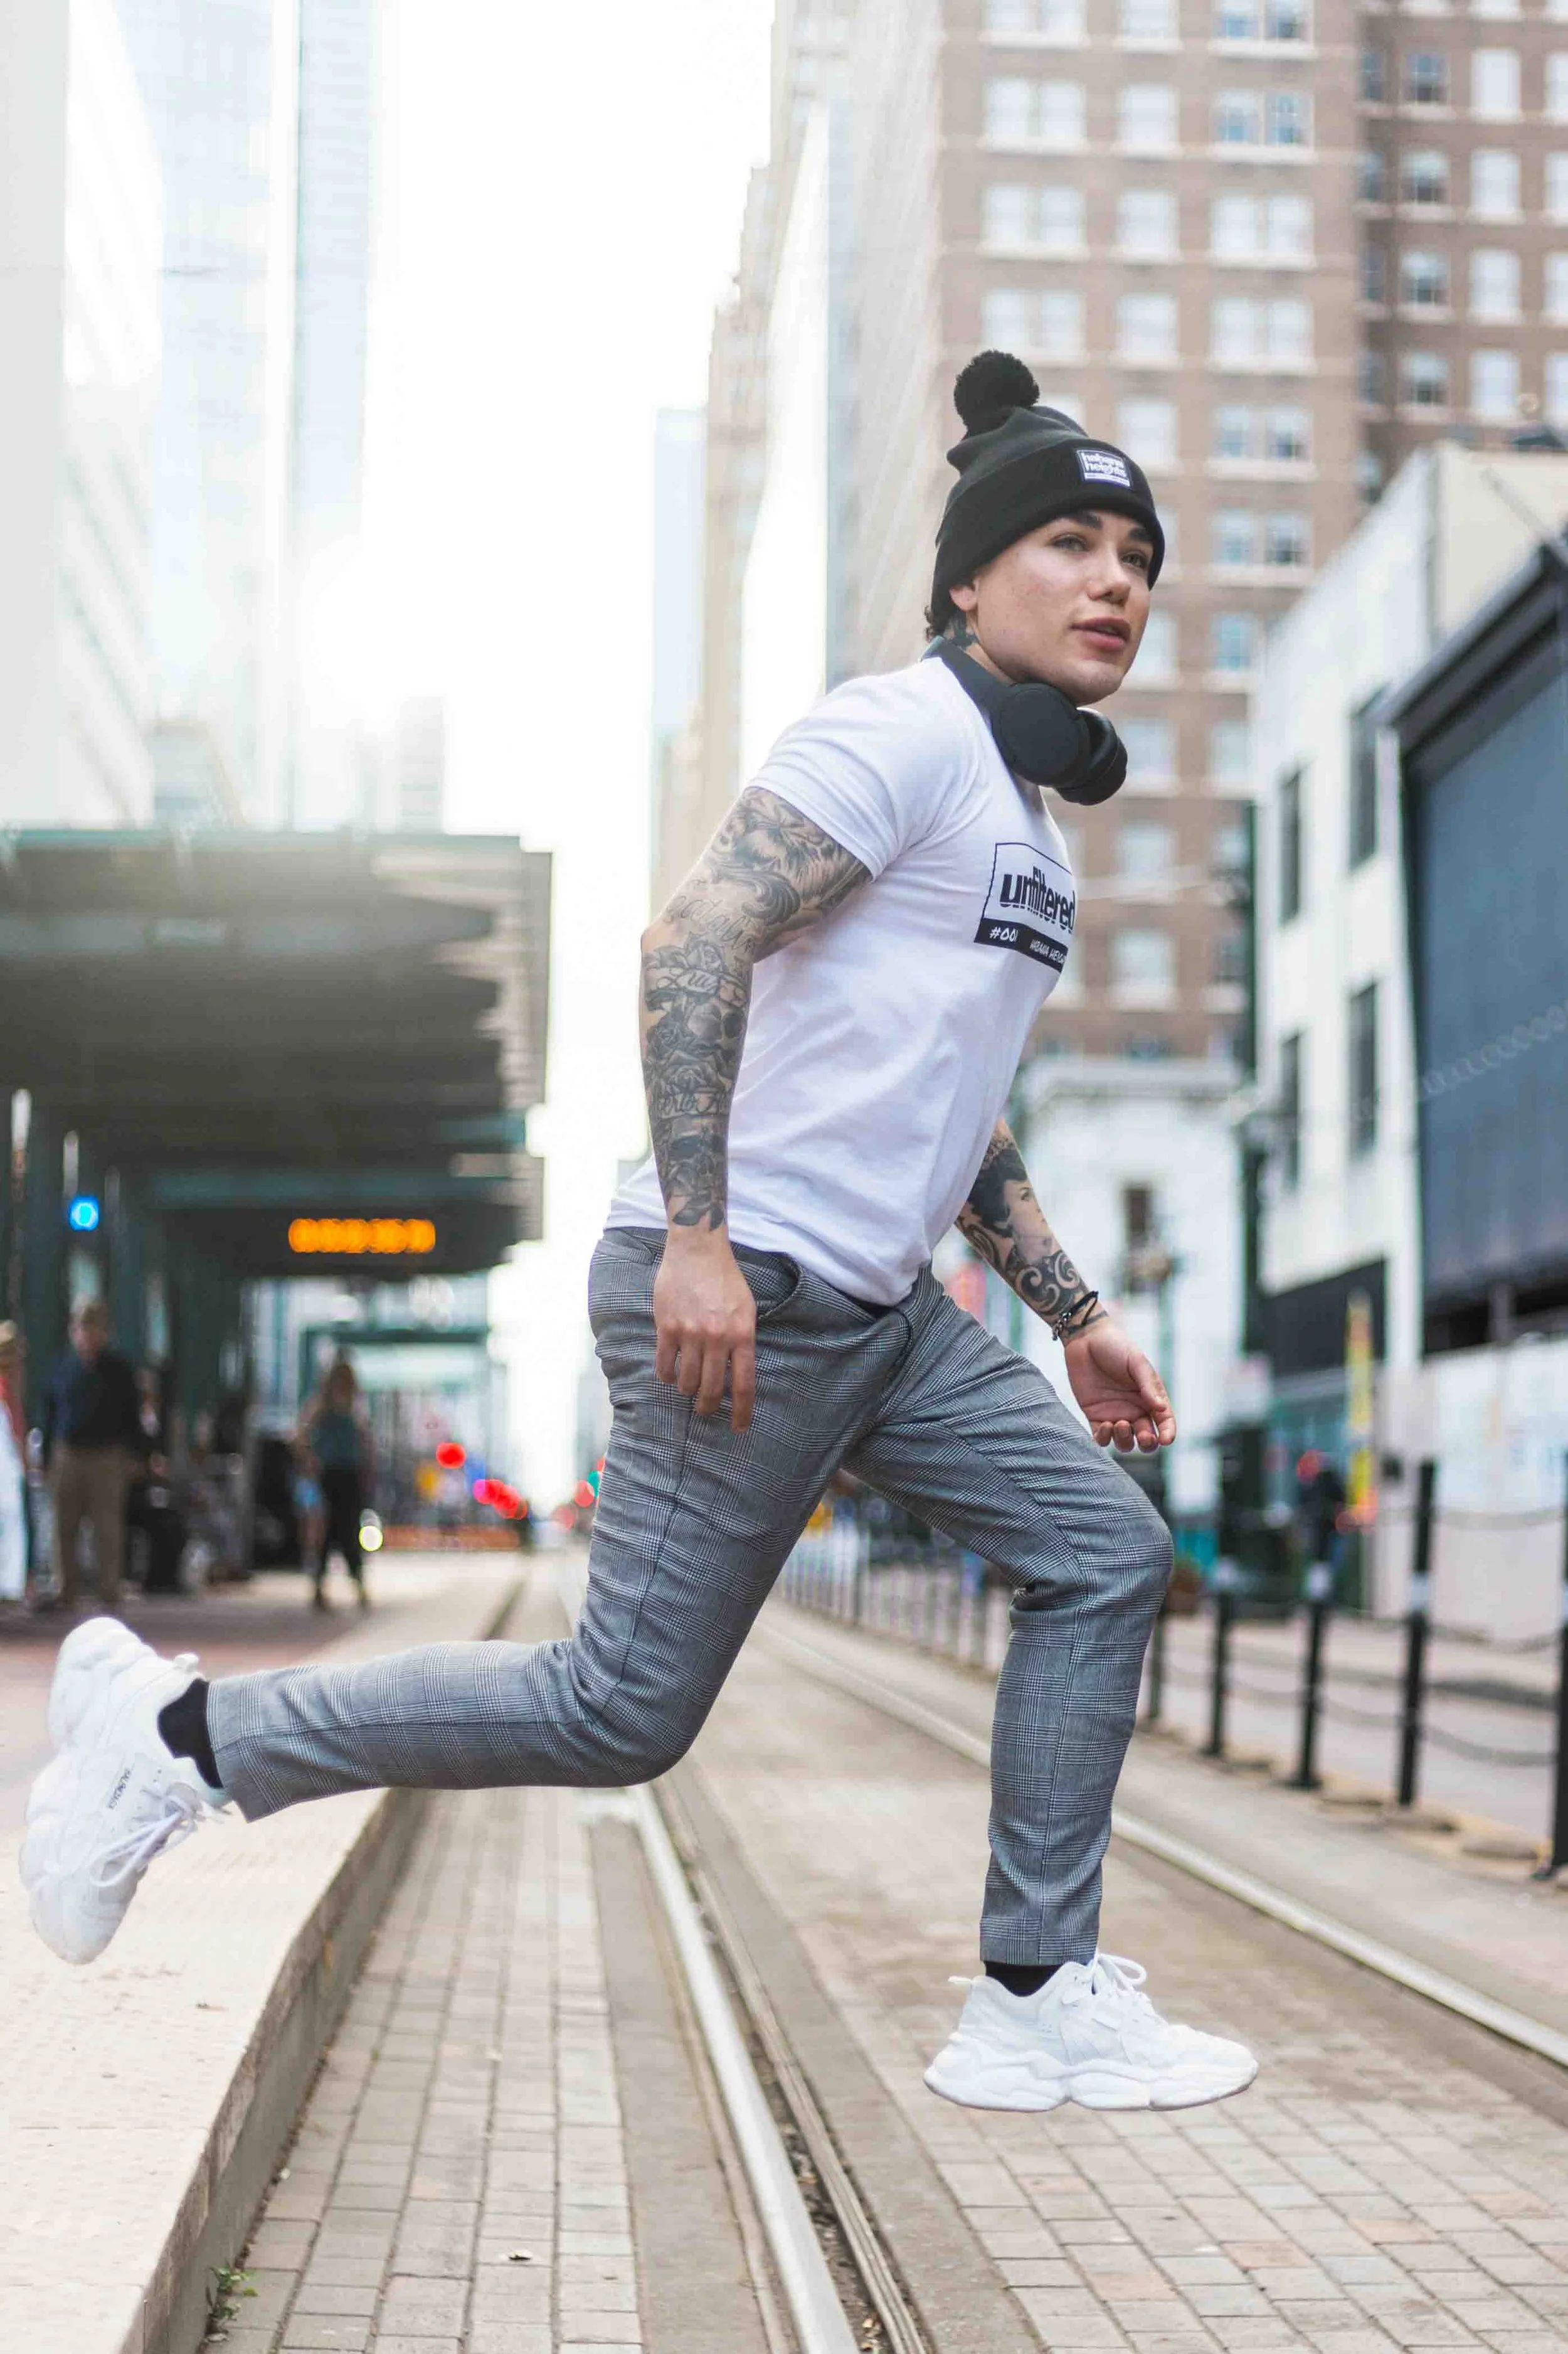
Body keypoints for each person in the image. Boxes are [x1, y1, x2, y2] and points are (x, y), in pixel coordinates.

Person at [19, 351, 1258, 2116]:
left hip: (887, 1315)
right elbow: (693, 940)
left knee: (1100, 1553)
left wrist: (1066, 1310)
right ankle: (180, 1746)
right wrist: (695, 1231)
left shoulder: (1027, 828)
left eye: (1138, 557)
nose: (1117, 582)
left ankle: (1036, 1992)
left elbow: (940, 1100)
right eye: (1070, 542)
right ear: (970, 580)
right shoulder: (895, 732)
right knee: (619, 1710)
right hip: (738, 1292)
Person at [40, 1299, 146, 1614]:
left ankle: (109, 1591)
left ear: (105, 1331)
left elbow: (133, 1415)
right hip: (67, 1455)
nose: (87, 1334)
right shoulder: (61, 1368)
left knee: (107, 1527)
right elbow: (48, 1414)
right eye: (81, 1327)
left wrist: (138, 1454)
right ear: (73, 1331)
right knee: (63, 1526)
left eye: (94, 1327)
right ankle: (65, 1590)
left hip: (108, 1457)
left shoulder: (120, 1370)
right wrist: (46, 1458)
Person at [296, 1358, 372, 1609]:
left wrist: (367, 1468)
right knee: (326, 1532)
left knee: (350, 1530)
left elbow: (364, 1442)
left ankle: (358, 1582)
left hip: (350, 1475)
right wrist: (310, 1460)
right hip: (329, 1475)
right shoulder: (320, 1407)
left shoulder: (356, 1408)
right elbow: (300, 1437)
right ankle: (319, 1586)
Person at [0, 1323, 27, 1605]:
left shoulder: (13, 1384)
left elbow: (17, 1423)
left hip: (8, 1457)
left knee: (11, 1515)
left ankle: (9, 1585)